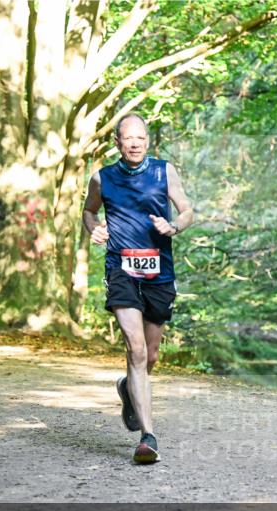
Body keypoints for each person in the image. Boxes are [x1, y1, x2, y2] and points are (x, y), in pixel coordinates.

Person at [82, 113, 194, 464]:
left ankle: (128, 390)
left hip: (159, 272)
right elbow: (88, 211)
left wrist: (173, 227)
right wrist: (94, 228)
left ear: (147, 141)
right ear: (117, 142)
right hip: (122, 270)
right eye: (128, 138)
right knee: (136, 349)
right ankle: (148, 437)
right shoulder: (102, 177)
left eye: (140, 138)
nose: (134, 144)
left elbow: (187, 210)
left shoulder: (164, 171)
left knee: (152, 355)